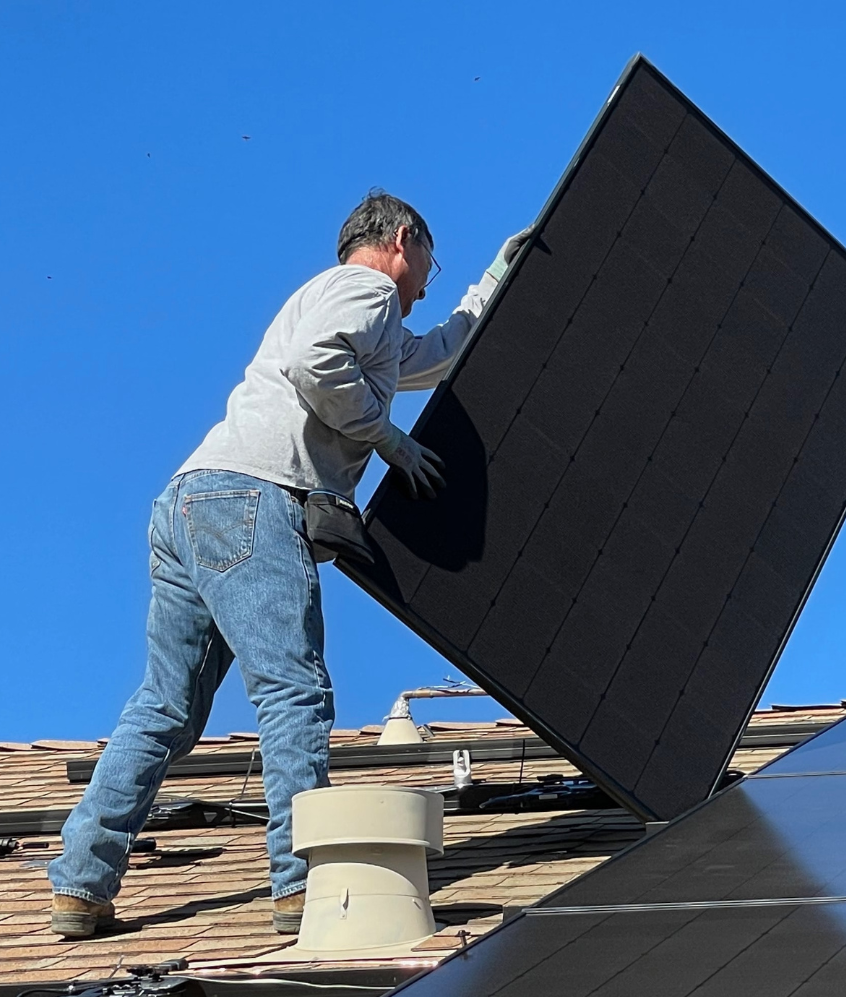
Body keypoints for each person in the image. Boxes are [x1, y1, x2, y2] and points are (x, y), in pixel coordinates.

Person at [46, 190, 523, 937]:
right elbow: (314, 363)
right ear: (403, 239)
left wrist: (494, 279)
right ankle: (303, 885)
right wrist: (388, 439)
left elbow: (433, 356)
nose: (428, 280)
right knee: (293, 690)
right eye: (430, 261)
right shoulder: (366, 291)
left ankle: (80, 881)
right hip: (253, 499)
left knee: (164, 709)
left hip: (189, 502)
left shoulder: (346, 306)